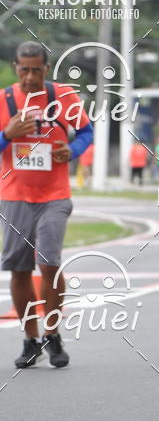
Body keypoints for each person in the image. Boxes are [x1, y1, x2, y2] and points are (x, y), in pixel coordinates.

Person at [0, 41, 93, 368]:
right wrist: (7, 135)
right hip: (14, 196)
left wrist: (74, 150)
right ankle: (30, 339)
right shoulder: (4, 100)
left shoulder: (62, 97)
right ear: (15, 67)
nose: (29, 77)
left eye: (35, 70)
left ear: (46, 68)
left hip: (54, 194)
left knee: (49, 263)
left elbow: (85, 131)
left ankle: (52, 335)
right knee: (19, 268)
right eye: (23, 70)